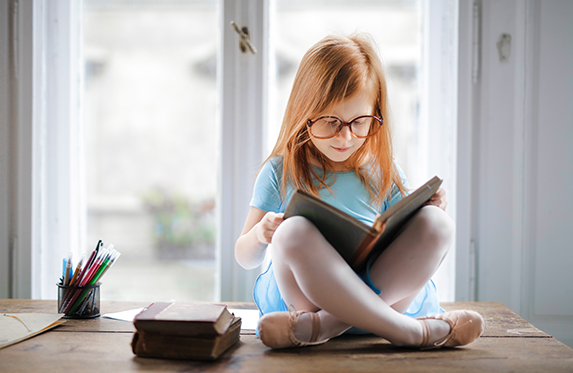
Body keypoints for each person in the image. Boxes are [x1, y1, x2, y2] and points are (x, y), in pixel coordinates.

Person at [235, 34, 484, 349]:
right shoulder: (280, 171)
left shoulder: (382, 169)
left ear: (375, 114)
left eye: (360, 122)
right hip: (306, 301)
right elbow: (244, 257)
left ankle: (328, 326)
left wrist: (431, 206)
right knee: (291, 232)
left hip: (372, 300)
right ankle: (409, 332)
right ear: (303, 113)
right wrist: (261, 234)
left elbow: (413, 232)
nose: (346, 136)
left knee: (437, 223)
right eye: (330, 122)